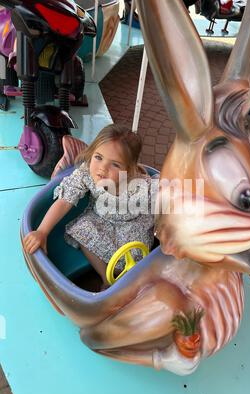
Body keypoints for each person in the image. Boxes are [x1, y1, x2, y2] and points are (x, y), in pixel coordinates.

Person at [23, 124, 157, 290]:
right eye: (98, 157)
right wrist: (42, 231)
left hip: (133, 225)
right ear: (91, 153)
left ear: (129, 170)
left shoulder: (141, 185)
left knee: (134, 260)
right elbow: (65, 200)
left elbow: (166, 205)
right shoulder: (86, 173)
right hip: (101, 218)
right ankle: (106, 279)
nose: (102, 168)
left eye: (115, 164)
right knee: (81, 227)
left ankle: (126, 277)